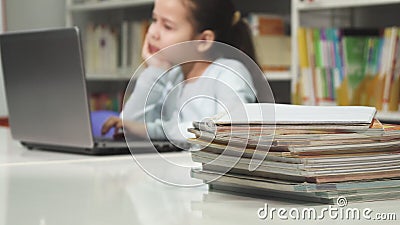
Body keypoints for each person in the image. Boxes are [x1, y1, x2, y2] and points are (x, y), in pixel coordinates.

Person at [101, 0, 263, 143]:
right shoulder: (170, 77)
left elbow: (229, 131)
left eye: (167, 26)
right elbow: (129, 128)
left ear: (203, 41)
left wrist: (154, 131)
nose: (152, 33)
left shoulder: (228, 73)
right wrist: (155, 71)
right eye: (154, 20)